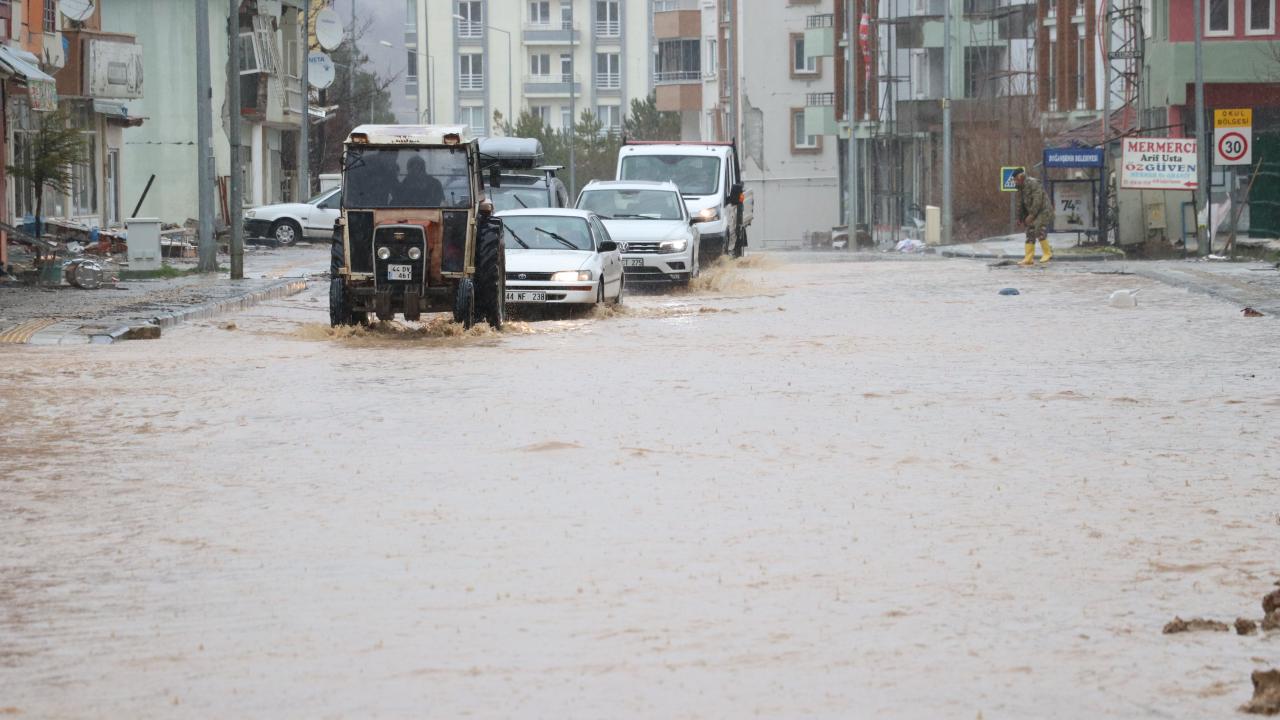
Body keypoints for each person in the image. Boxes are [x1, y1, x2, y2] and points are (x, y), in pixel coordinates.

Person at [1013, 167, 1053, 265]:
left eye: (1015, 179)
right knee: (1029, 232)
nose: (1014, 182)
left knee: (1038, 229)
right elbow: (1020, 204)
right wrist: (1019, 218)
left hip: (1043, 210)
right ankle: (1028, 258)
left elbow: (1037, 201)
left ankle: (1047, 253)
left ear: (1020, 177)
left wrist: (1032, 215)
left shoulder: (1033, 183)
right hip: (1032, 212)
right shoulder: (1019, 188)